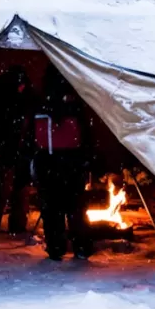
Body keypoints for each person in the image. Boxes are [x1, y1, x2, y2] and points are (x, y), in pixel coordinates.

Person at [33, 64, 94, 261]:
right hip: (69, 162)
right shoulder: (75, 103)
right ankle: (79, 246)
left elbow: (30, 136)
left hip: (51, 161)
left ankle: (57, 247)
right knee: (74, 208)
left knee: (53, 210)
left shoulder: (40, 104)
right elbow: (86, 134)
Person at [0, 65, 36, 235]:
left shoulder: (2, 99)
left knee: (5, 189)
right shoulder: (20, 100)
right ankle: (11, 224)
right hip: (12, 150)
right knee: (8, 188)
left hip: (11, 150)